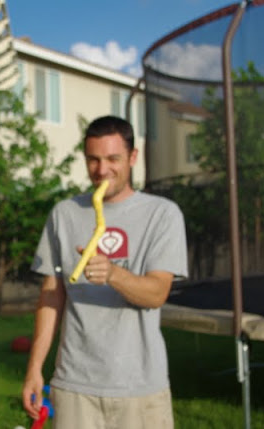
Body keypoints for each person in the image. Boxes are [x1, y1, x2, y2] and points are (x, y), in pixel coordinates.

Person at [22, 115, 188, 429]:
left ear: (133, 157)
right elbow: (51, 296)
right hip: (74, 384)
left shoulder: (163, 214)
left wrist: (113, 273)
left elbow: (157, 294)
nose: (102, 171)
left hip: (141, 387)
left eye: (113, 159)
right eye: (93, 160)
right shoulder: (65, 214)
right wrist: (34, 369)